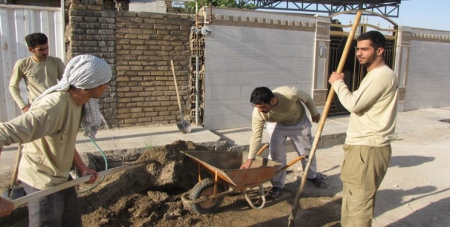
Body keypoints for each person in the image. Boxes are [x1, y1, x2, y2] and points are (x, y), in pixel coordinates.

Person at [0, 55, 112, 226]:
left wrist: (81, 167)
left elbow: (63, 140)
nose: (106, 86)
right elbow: (2, 133)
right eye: (104, 82)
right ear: (88, 85)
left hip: (61, 177)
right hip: (42, 181)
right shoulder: (54, 106)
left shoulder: (79, 104)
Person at [329, 30, 399, 226]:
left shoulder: (381, 76)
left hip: (367, 148)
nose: (359, 53)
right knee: (355, 201)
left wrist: (338, 83)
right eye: (358, 49)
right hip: (364, 148)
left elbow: (353, 104)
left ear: (379, 51)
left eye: (365, 49)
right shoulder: (375, 75)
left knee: (358, 206)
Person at [240, 86, 328, 200]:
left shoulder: (290, 93)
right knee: (275, 155)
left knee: (306, 152)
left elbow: (308, 99)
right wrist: (250, 159)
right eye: (257, 107)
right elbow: (256, 135)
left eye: (262, 107)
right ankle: (277, 185)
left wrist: (314, 113)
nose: (259, 110)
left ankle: (311, 176)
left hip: (298, 123)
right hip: (277, 125)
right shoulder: (258, 113)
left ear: (271, 100)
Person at [9, 32, 65, 113]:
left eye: (47, 48)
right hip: (36, 109)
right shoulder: (23, 64)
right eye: (41, 50)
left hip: (55, 107)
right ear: (31, 50)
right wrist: (23, 106)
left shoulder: (56, 62)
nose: (45, 52)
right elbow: (13, 87)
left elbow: (66, 83)